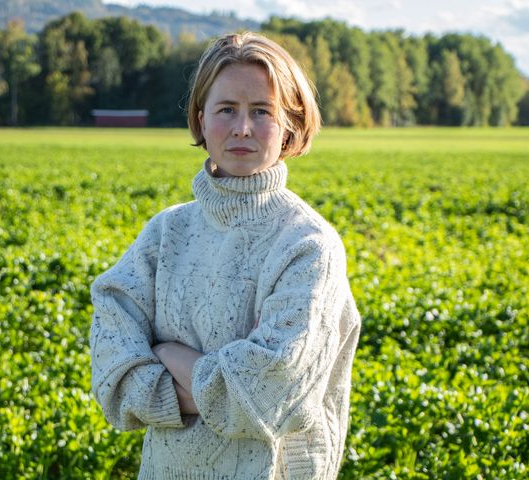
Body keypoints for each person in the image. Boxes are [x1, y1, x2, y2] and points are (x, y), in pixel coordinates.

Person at [89, 32, 360, 480]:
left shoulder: (309, 245)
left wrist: (167, 352)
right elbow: (113, 366)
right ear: (200, 118)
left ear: (290, 124)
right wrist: (219, 382)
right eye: (226, 109)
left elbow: (271, 392)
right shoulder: (164, 234)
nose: (242, 128)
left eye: (261, 111)